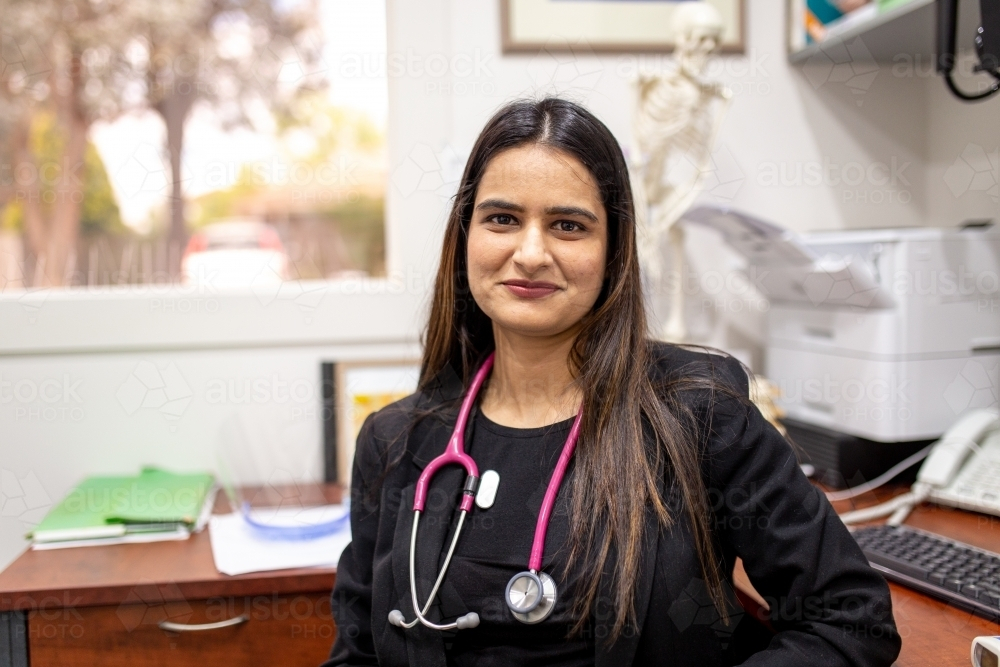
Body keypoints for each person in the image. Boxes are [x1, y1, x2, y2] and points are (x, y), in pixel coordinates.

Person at [322, 98, 901, 667]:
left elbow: (850, 619)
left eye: (568, 225)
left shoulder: (699, 413)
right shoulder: (394, 442)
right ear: (465, 237)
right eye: (502, 219)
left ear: (613, 250)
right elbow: (358, 654)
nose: (530, 253)